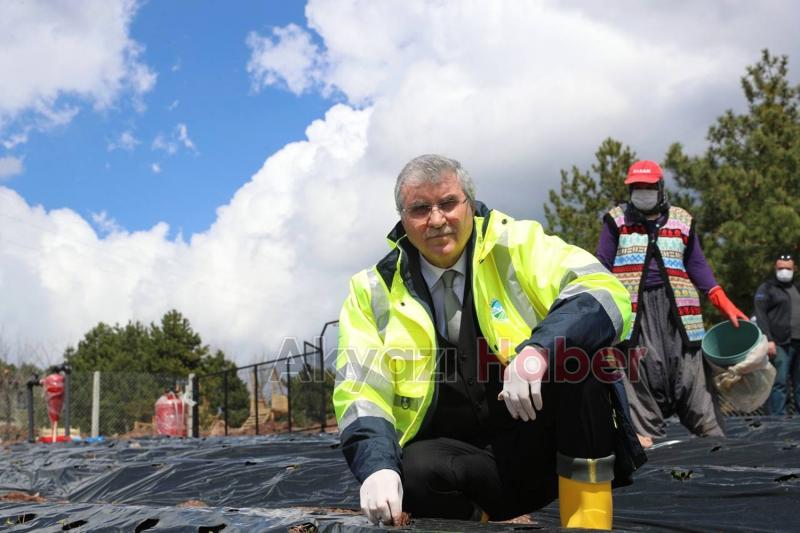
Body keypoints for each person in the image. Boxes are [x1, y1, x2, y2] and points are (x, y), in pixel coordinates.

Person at [333, 154, 646, 529]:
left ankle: (587, 523)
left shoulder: (517, 244)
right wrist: (376, 467)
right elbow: (360, 390)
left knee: (582, 366)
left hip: (547, 449)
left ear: (469, 202)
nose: (437, 220)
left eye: (448, 203)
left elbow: (603, 290)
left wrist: (539, 351)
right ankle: (477, 524)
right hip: (464, 465)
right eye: (420, 209)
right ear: (402, 217)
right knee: (412, 471)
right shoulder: (372, 291)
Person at [596, 160, 748, 444]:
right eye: (637, 186)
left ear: (660, 187)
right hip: (635, 319)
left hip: (680, 316)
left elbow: (697, 264)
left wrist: (720, 299)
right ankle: (648, 447)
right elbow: (602, 264)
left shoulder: (682, 220)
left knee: (693, 380)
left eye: (648, 186)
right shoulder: (616, 220)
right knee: (639, 378)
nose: (642, 191)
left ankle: (715, 445)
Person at [754, 253, 800, 414]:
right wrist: (768, 339)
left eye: (788, 268)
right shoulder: (767, 288)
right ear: (775, 268)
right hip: (779, 343)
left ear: (794, 269)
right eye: (781, 268)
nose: (784, 271)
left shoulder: (797, 288)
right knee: (779, 383)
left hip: (798, 342)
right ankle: (777, 421)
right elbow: (760, 315)